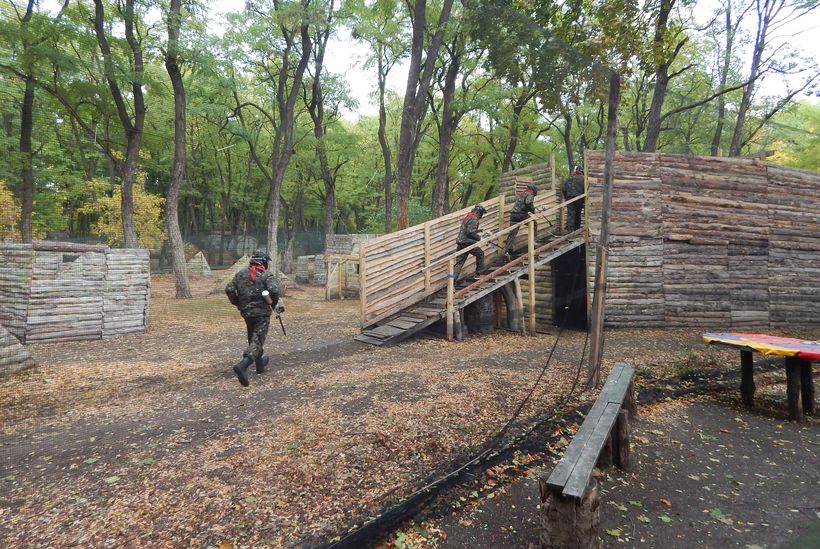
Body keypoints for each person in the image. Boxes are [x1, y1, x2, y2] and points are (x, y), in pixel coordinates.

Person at [225, 249, 284, 387]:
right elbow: (274, 290)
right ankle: (242, 365)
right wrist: (274, 304)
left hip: (246, 313)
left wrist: (238, 303)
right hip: (261, 314)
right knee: (257, 341)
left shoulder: (240, 274)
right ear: (263, 262)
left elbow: (229, 289)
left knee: (253, 338)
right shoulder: (266, 275)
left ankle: (260, 365)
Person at [503, 183, 538, 259]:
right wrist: (533, 210)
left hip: (513, 215)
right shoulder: (530, 194)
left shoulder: (522, 193)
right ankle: (533, 242)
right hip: (521, 215)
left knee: (512, 234)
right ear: (534, 189)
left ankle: (508, 251)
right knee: (534, 223)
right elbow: (528, 202)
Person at [453, 204, 486, 280]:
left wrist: (478, 231)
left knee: (459, 264)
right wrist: (479, 238)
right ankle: (478, 274)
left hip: (461, 242)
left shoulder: (468, 217)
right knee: (480, 254)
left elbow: (467, 230)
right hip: (467, 243)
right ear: (479, 212)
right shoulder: (474, 219)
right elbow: (470, 233)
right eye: (481, 213)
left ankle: (451, 282)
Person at [562, 165, 585, 232]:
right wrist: (583, 199)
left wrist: (566, 197)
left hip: (569, 199)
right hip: (579, 199)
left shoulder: (569, 178)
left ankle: (570, 229)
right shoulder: (583, 179)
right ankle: (576, 230)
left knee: (570, 214)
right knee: (577, 214)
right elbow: (585, 189)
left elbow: (563, 189)